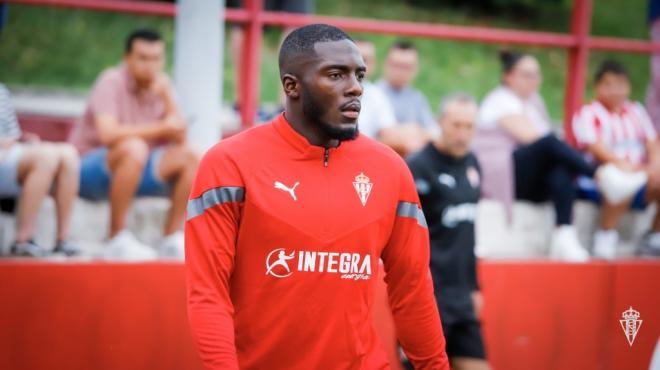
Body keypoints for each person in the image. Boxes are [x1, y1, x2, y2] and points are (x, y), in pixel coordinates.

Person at [186, 24, 449, 369]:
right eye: (336, 75)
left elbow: (412, 291)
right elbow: (208, 296)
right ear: (291, 86)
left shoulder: (390, 170)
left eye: (359, 75)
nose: (354, 87)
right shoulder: (229, 164)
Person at [473, 50, 646, 262]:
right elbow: (534, 140)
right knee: (550, 144)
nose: (534, 80)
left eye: (537, 74)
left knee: (560, 168)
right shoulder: (500, 100)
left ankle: (564, 232)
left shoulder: (534, 103)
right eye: (527, 74)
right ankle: (601, 175)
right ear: (508, 76)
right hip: (503, 176)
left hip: (532, 178)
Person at [69, 29, 200, 261]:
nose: (150, 65)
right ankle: (115, 237)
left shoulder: (162, 86)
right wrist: (161, 128)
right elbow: (108, 134)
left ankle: (170, 238)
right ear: (127, 58)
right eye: (143, 58)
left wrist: (168, 97)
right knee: (134, 147)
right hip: (89, 168)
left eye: (156, 58)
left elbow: (180, 139)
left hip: (136, 168)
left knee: (191, 156)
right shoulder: (111, 81)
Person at [407, 94, 490, 370]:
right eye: (456, 125)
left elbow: (469, 232)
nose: (463, 134)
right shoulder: (417, 166)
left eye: (469, 126)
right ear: (440, 122)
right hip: (428, 294)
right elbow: (404, 239)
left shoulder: (473, 164)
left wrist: (475, 287)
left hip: (462, 296)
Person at [573, 60, 660, 258]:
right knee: (616, 177)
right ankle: (606, 233)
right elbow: (597, 149)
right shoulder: (589, 112)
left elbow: (652, 143)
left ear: (628, 87)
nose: (615, 90)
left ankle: (654, 235)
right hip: (599, 178)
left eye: (620, 84)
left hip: (640, 175)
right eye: (608, 84)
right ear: (597, 87)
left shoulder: (636, 111)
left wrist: (654, 166)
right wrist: (629, 168)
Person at [0, 83, 80, 257]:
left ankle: (62, 240)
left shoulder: (2, 91)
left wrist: (25, 142)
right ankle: (23, 240)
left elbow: (11, 135)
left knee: (68, 154)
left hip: (9, 153)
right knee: (45, 157)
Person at [377, 41, 434, 154]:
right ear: (386, 64)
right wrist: (414, 130)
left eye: (407, 67)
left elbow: (433, 133)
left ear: (415, 68)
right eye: (397, 65)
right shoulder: (373, 95)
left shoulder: (418, 98)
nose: (401, 72)